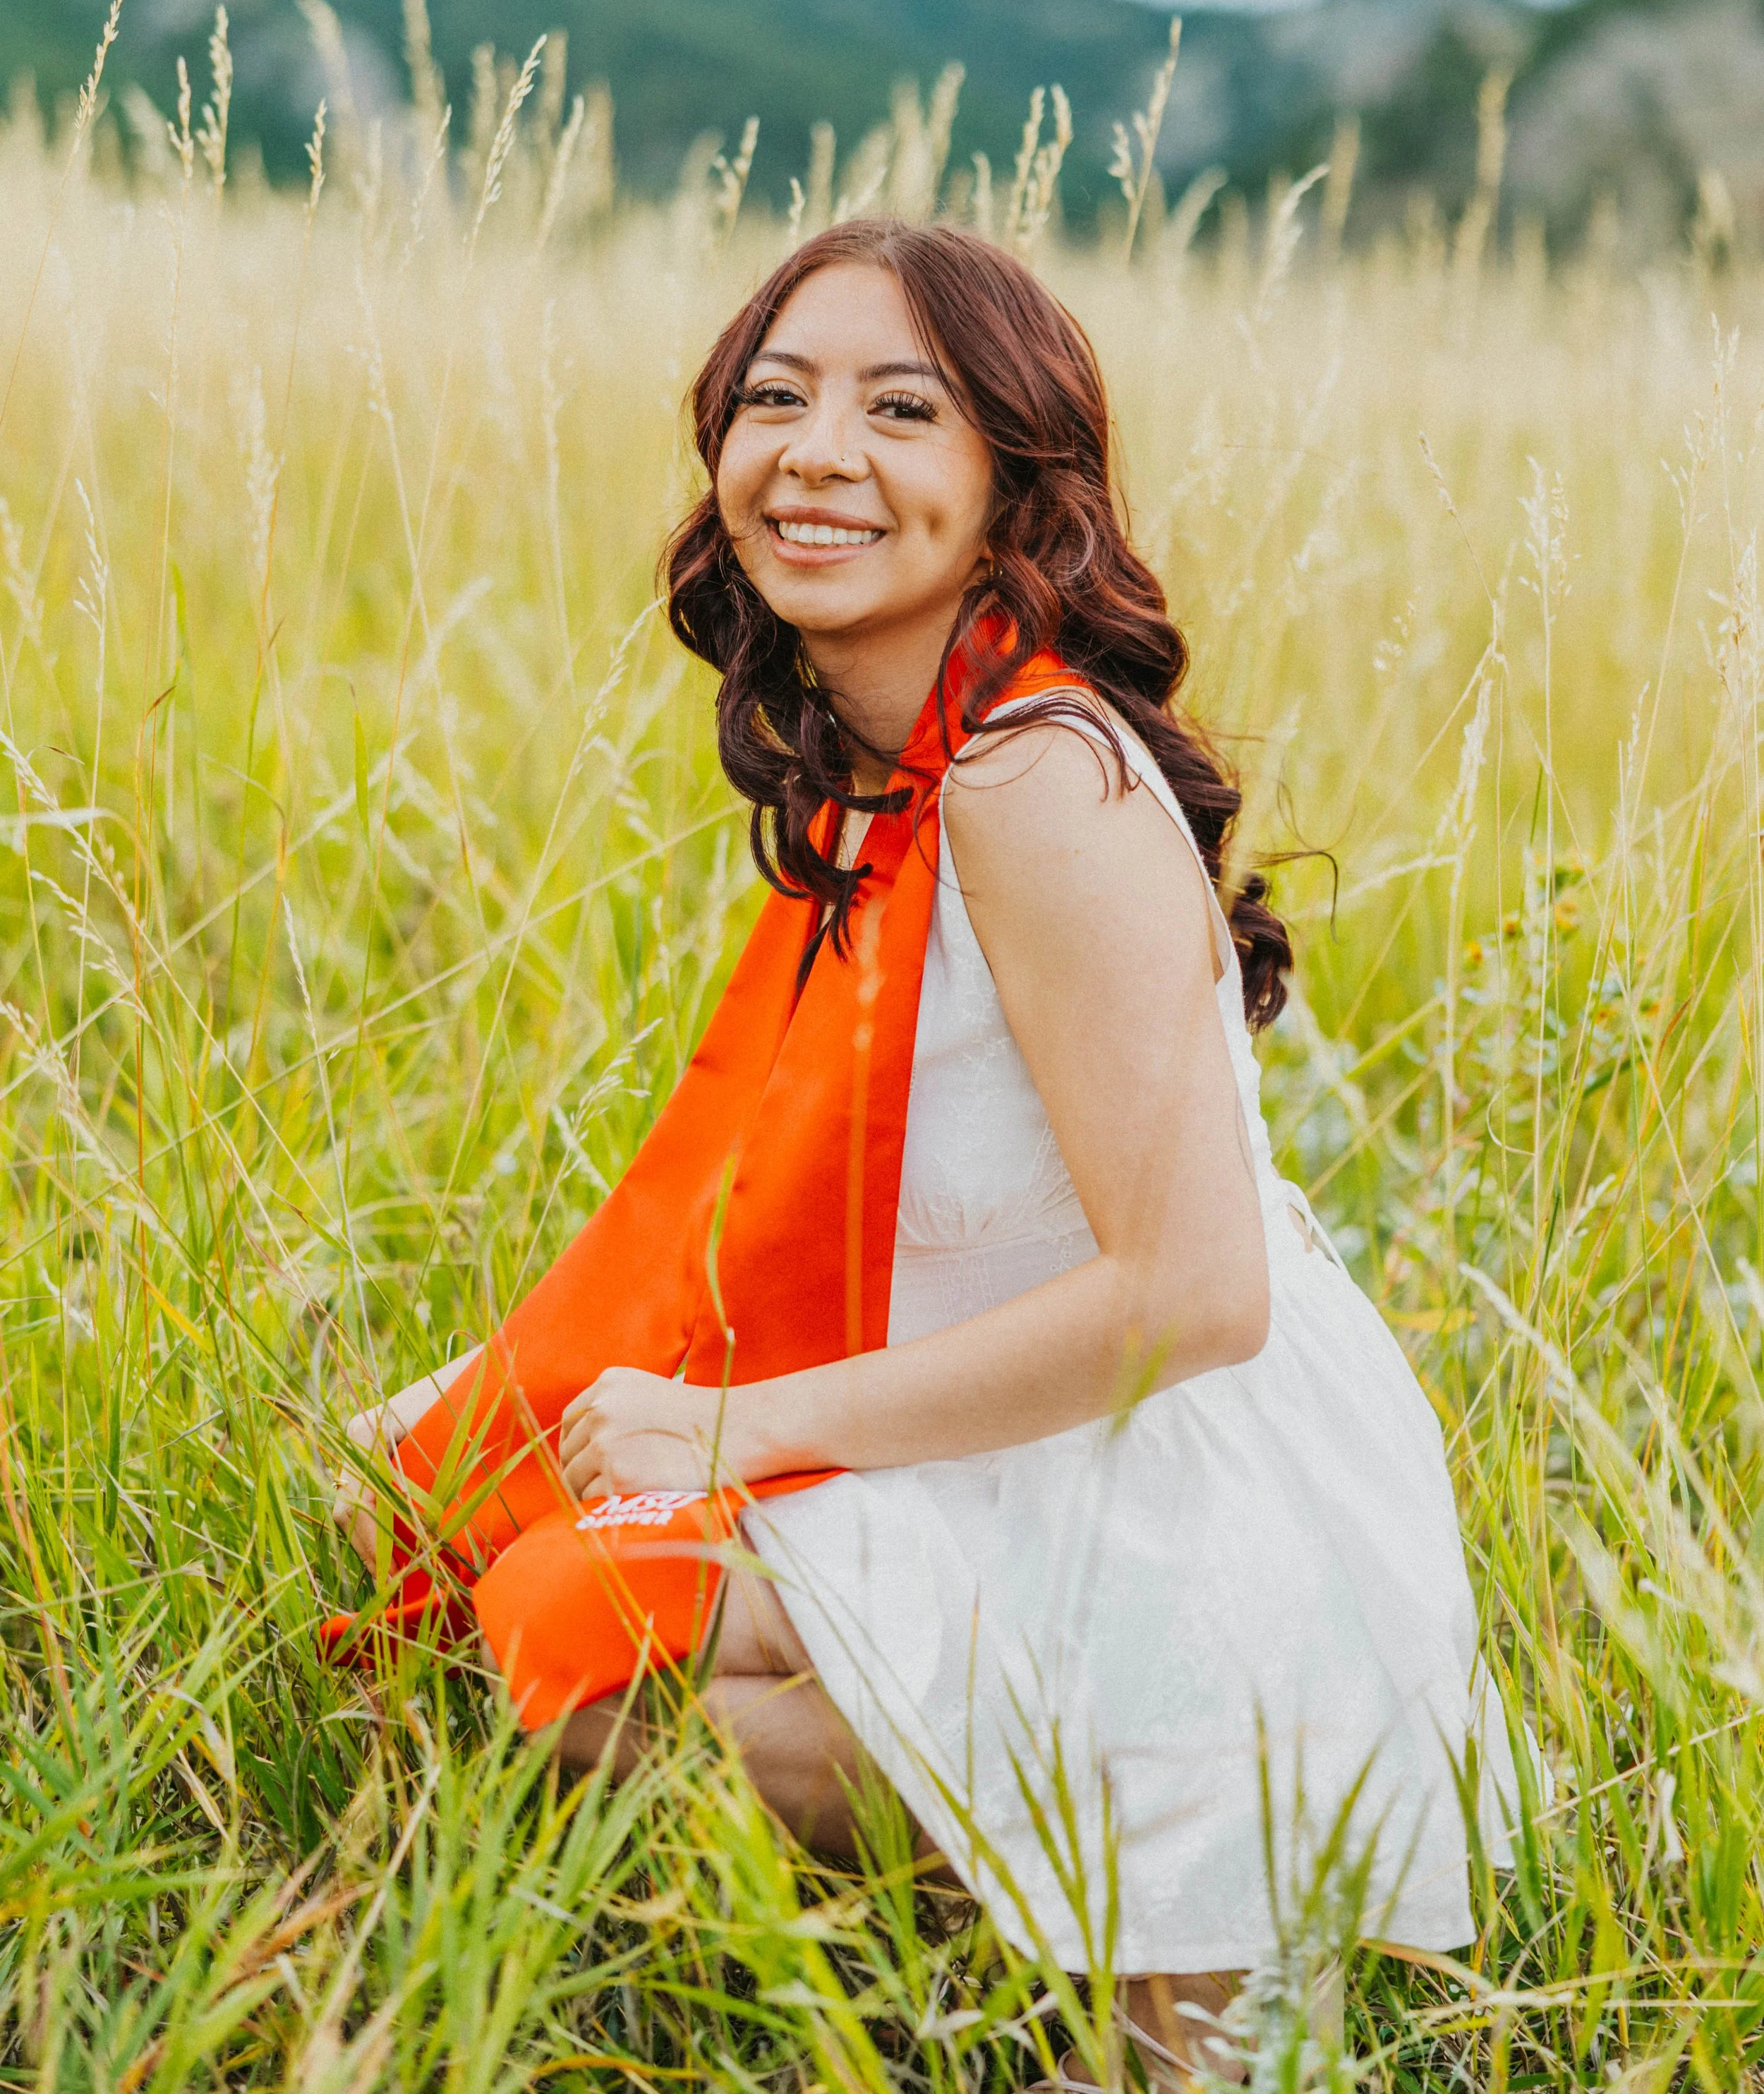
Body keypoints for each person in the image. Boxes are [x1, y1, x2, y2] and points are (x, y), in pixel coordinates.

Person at [334, 220, 1517, 2087]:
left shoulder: (1032, 775)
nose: (817, 450)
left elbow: (1196, 1295)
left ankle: (1101, 1919)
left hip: (1149, 1466)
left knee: (574, 1622)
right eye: (773, 396)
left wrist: (732, 1427)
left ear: (1009, 489)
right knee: (492, 1536)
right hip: (992, 1410)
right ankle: (1012, 1924)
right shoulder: (888, 769)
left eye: (903, 407)